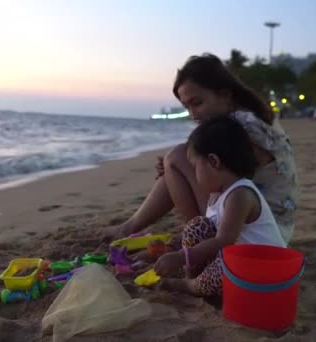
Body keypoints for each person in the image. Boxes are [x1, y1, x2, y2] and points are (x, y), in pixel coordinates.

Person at [103, 53, 298, 244]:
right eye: (187, 107)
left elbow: (221, 177)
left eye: (197, 103)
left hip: (260, 233)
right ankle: (132, 227)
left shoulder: (244, 128)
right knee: (178, 161)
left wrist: (183, 164)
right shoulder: (248, 119)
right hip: (265, 226)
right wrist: (184, 166)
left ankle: (198, 236)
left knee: (177, 158)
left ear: (225, 95)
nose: (193, 114)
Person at [154, 117, 286, 296]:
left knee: (227, 265)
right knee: (197, 225)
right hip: (239, 259)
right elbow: (212, 233)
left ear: (214, 162)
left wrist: (180, 257)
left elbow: (224, 240)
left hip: (264, 270)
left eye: (195, 167)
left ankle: (190, 286)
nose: (195, 175)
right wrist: (180, 249)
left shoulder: (240, 194)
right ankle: (194, 275)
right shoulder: (218, 193)